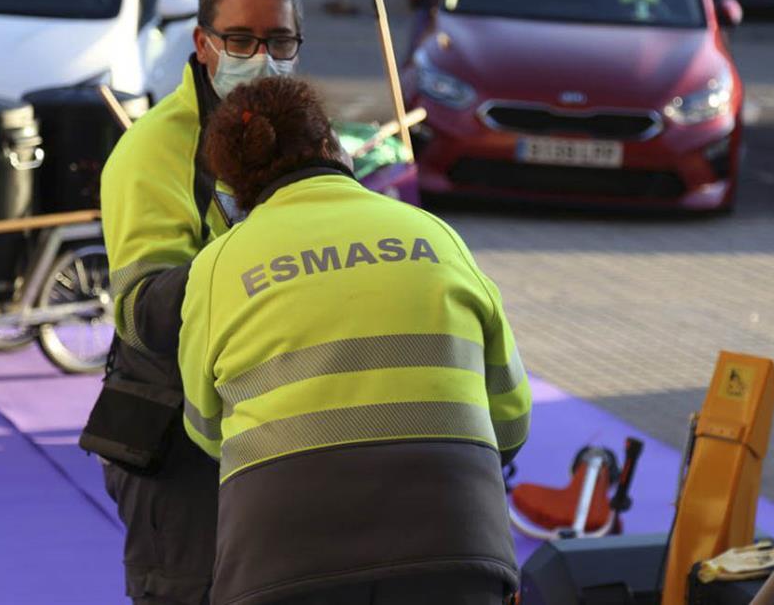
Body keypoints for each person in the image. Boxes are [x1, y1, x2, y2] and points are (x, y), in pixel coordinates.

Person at [179, 76, 532, 605]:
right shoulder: (435, 234)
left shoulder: (217, 265)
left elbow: (206, 429)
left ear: (232, 184)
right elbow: (510, 415)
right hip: (456, 540)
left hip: (282, 556)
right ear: (331, 145)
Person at [95, 0, 304, 604]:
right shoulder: (153, 150)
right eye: (241, 40)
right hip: (172, 433)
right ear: (203, 44)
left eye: (280, 41)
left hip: (270, 422)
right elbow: (143, 311)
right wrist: (261, 260)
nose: (262, 57)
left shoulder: (302, 135)